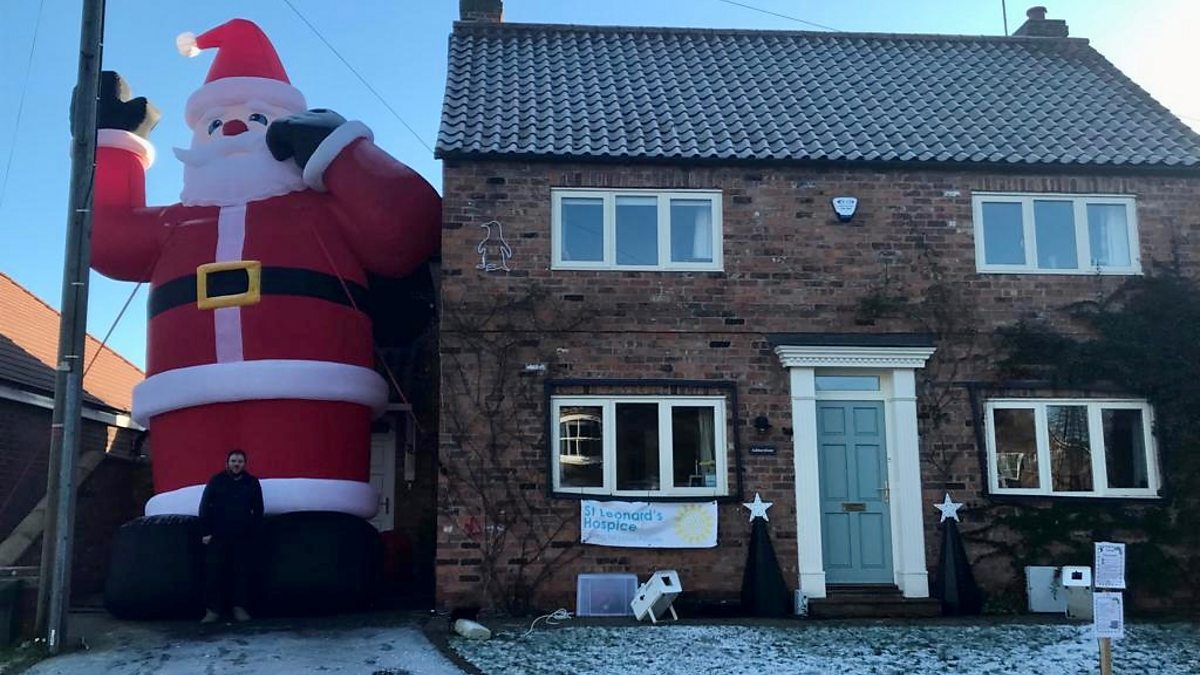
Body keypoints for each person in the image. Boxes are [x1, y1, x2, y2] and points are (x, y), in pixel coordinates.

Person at [198, 449, 264, 623]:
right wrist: (205, 532)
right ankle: (212, 610)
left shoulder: (252, 483)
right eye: (234, 461)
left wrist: (255, 533)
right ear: (227, 463)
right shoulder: (216, 481)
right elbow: (205, 507)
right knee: (214, 573)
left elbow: (258, 510)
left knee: (241, 573)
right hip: (218, 536)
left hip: (243, 536)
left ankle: (239, 608)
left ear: (245, 463)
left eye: (240, 461)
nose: (237, 464)